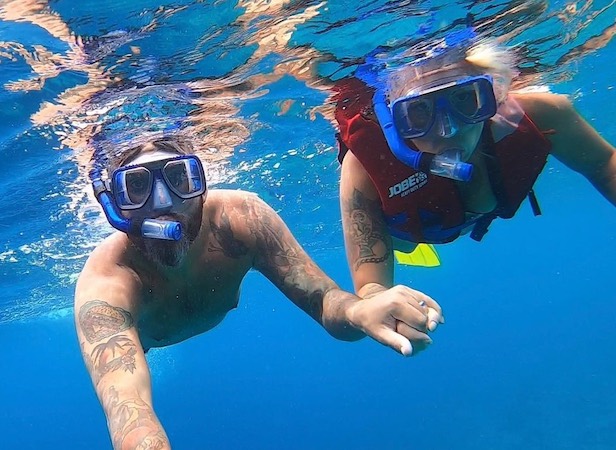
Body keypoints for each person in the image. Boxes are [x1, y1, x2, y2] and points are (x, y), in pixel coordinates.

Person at [74, 136, 444, 450]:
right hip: (145, 339)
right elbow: (128, 408)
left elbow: (324, 300)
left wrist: (359, 311)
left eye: (178, 179)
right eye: (137, 187)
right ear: (114, 205)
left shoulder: (243, 220)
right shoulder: (107, 282)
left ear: (202, 187)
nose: (163, 203)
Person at [333, 28, 616, 295]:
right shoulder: (362, 166)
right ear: (394, 120)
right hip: (406, 233)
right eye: (419, 111)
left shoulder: (544, 115)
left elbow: (604, 164)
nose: (447, 129)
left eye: (464, 100)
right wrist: (375, 298)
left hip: (453, 217)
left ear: (492, 96)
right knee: (405, 246)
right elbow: (371, 289)